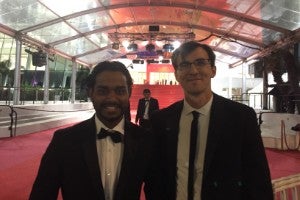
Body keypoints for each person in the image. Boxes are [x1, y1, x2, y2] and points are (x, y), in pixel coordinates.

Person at [150, 41, 274, 200]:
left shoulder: (241, 117)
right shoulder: (160, 120)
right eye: (185, 65)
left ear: (213, 70)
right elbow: (154, 177)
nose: (193, 70)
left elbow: (258, 178)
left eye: (200, 63)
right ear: (176, 74)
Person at [29, 61, 162, 200]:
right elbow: (42, 194)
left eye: (120, 91)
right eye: (102, 91)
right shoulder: (64, 141)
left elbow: (156, 192)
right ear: (90, 92)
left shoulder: (145, 140)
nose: (111, 98)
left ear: (129, 93)